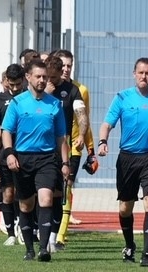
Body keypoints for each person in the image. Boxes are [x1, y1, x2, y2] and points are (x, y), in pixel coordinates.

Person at [98, 57, 148, 267]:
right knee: (125, 207)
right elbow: (107, 124)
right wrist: (103, 142)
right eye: (141, 72)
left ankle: (147, 253)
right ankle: (130, 244)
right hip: (127, 158)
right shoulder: (122, 97)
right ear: (134, 74)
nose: (144, 76)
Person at [1, 59, 70, 262]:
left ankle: (44, 249)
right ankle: (29, 249)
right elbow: (6, 131)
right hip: (23, 158)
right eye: (38, 76)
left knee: (46, 199)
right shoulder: (17, 103)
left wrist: (65, 163)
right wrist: (9, 153)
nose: (42, 80)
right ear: (28, 77)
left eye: (44, 77)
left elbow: (61, 137)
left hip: (47, 158)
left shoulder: (55, 104)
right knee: (26, 205)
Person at [44, 53, 88, 252]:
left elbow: (82, 115)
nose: (49, 81)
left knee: (59, 193)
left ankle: (55, 237)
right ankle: (37, 233)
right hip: (39, 148)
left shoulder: (72, 91)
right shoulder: (39, 91)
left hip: (63, 148)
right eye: (47, 77)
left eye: (53, 77)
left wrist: (82, 134)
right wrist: (46, 94)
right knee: (40, 193)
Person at [53, 49, 95, 229]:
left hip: (73, 146)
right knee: (51, 189)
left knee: (67, 185)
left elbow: (85, 118)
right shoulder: (46, 89)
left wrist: (90, 148)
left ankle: (61, 234)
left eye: (69, 66)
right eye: (62, 65)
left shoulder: (80, 90)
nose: (66, 69)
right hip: (49, 146)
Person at [0, 63, 25, 246]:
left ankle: (25, 228)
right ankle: (10, 232)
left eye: (18, 84)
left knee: (25, 193)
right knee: (8, 193)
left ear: (24, 80)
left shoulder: (29, 98)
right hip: (5, 154)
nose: (15, 88)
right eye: (12, 84)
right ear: (6, 82)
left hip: (26, 152)